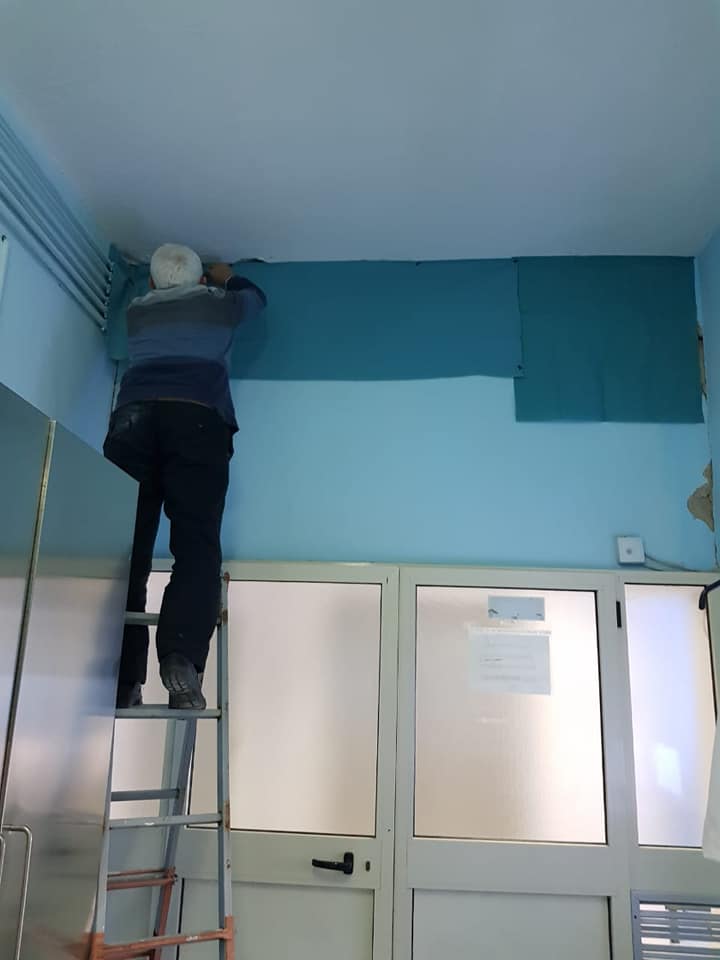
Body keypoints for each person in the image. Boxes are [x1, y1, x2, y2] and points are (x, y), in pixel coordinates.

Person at [104, 243, 266, 709]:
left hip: (132, 420)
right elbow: (255, 299)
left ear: (153, 283)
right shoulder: (219, 304)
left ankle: (122, 681)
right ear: (200, 282)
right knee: (196, 544)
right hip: (197, 419)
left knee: (124, 550)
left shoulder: (138, 311)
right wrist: (226, 275)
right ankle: (181, 658)